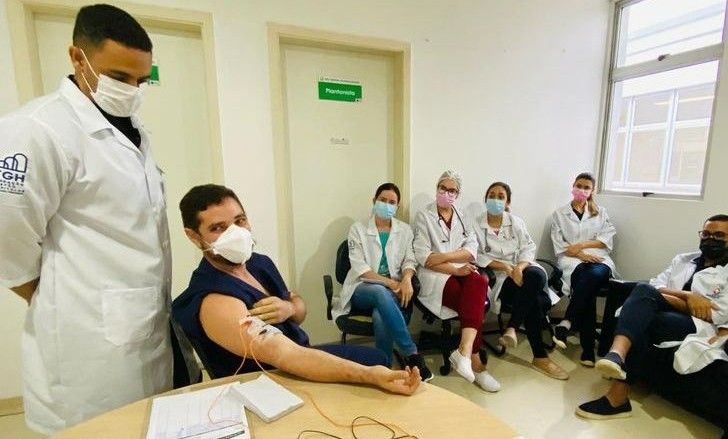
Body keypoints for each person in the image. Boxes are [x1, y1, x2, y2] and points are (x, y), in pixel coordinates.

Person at [0, 5, 171, 434]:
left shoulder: (132, 128)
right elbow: (7, 234)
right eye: (119, 77)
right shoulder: (36, 129)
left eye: (141, 81)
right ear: (78, 58)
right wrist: (51, 293)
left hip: (144, 327)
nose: (131, 90)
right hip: (84, 342)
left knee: (145, 424)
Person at [172, 184, 420, 395]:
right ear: (194, 237)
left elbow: (299, 310)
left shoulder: (259, 264)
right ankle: (411, 353)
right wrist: (368, 375)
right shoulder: (214, 300)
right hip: (271, 382)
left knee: (378, 358)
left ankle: (405, 355)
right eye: (218, 228)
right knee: (374, 364)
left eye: (240, 221)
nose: (235, 233)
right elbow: (285, 354)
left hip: (301, 352)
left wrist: (289, 308)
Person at [576, 214, 728, 419]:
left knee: (645, 315)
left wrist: (666, 299)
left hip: (697, 324)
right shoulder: (683, 259)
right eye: (706, 234)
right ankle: (617, 365)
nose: (711, 239)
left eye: (719, 236)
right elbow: (655, 285)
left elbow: (717, 312)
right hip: (664, 310)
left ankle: (617, 383)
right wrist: (688, 296)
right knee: (643, 292)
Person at [334, 183, 433, 381]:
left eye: (392, 202)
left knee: (380, 315)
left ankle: (384, 368)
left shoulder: (405, 231)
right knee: (380, 291)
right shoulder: (358, 229)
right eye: (383, 200)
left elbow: (410, 260)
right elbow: (360, 268)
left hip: (392, 292)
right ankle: (411, 352)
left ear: (397, 206)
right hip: (362, 289)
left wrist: (406, 278)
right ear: (374, 201)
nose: (387, 205)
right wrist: (391, 284)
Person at [412, 170, 501, 392]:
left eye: (452, 190)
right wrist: (454, 267)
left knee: (480, 282)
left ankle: (464, 350)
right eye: (443, 188)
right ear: (436, 188)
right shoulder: (424, 216)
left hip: (457, 268)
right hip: (435, 276)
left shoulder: (463, 217)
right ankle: (476, 363)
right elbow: (424, 258)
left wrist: (445, 257)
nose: (446, 193)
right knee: (473, 302)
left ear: (457, 194)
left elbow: (471, 251)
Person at [475, 182, 568, 380]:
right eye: (492, 195)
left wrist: (519, 267)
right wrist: (506, 268)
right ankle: (540, 357)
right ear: (485, 199)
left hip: (523, 269)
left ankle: (512, 327)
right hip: (501, 278)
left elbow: (528, 247)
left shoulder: (515, 222)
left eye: (501, 196)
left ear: (507, 202)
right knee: (533, 298)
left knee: (536, 276)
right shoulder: (475, 225)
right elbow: (477, 255)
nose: (495, 199)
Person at [550, 172, 619, 366]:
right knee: (586, 284)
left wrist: (582, 245)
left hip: (599, 259)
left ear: (592, 191)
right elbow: (560, 245)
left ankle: (568, 322)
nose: (581, 190)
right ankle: (586, 348)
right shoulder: (559, 214)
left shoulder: (601, 212)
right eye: (578, 185)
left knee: (591, 276)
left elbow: (606, 240)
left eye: (586, 187)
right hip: (572, 260)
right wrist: (581, 255)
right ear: (573, 186)